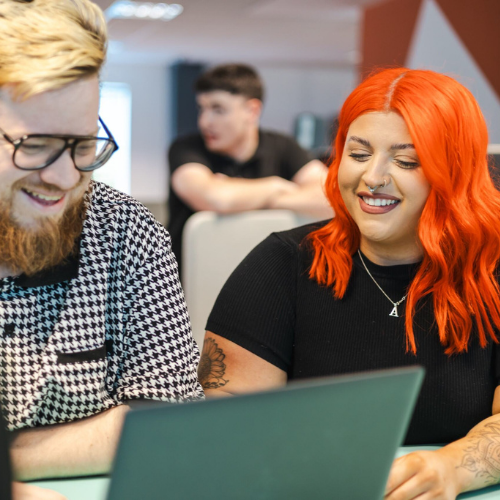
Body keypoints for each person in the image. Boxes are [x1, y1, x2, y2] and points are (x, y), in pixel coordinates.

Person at [199, 67, 500, 499]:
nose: (373, 178)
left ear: (453, 171)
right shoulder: (280, 264)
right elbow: (223, 422)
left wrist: (455, 466)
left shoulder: (493, 266)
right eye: (358, 154)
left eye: (407, 160)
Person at [0, 0, 202, 482]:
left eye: (84, 144)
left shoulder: (128, 232)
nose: (66, 177)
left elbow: (167, 419)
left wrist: (11, 461)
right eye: (37, 144)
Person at [167, 63, 333, 270]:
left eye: (218, 110)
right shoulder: (186, 148)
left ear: (251, 110)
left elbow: (331, 197)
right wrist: (276, 186)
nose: (205, 121)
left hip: (262, 274)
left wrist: (250, 197)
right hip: (190, 281)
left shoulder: (283, 146)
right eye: (202, 108)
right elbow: (217, 198)